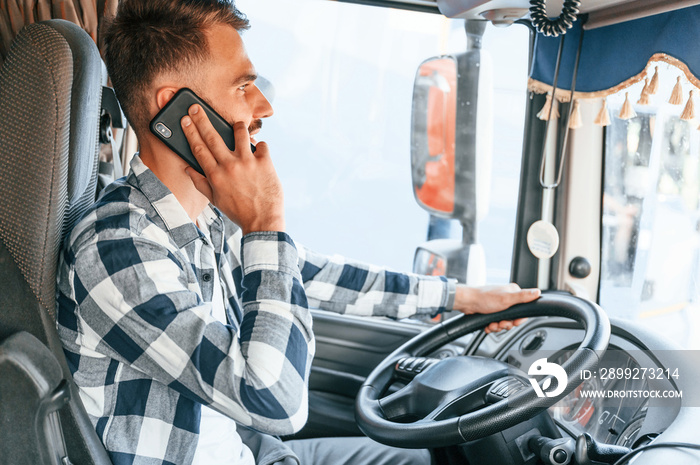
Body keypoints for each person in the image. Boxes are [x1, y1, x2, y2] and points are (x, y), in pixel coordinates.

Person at [56, 1, 540, 464]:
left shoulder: (205, 220)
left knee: (422, 458)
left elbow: (313, 274)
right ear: (179, 110)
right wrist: (265, 221)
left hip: (252, 453)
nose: (264, 106)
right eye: (243, 86)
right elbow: (276, 404)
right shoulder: (117, 248)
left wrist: (462, 298)